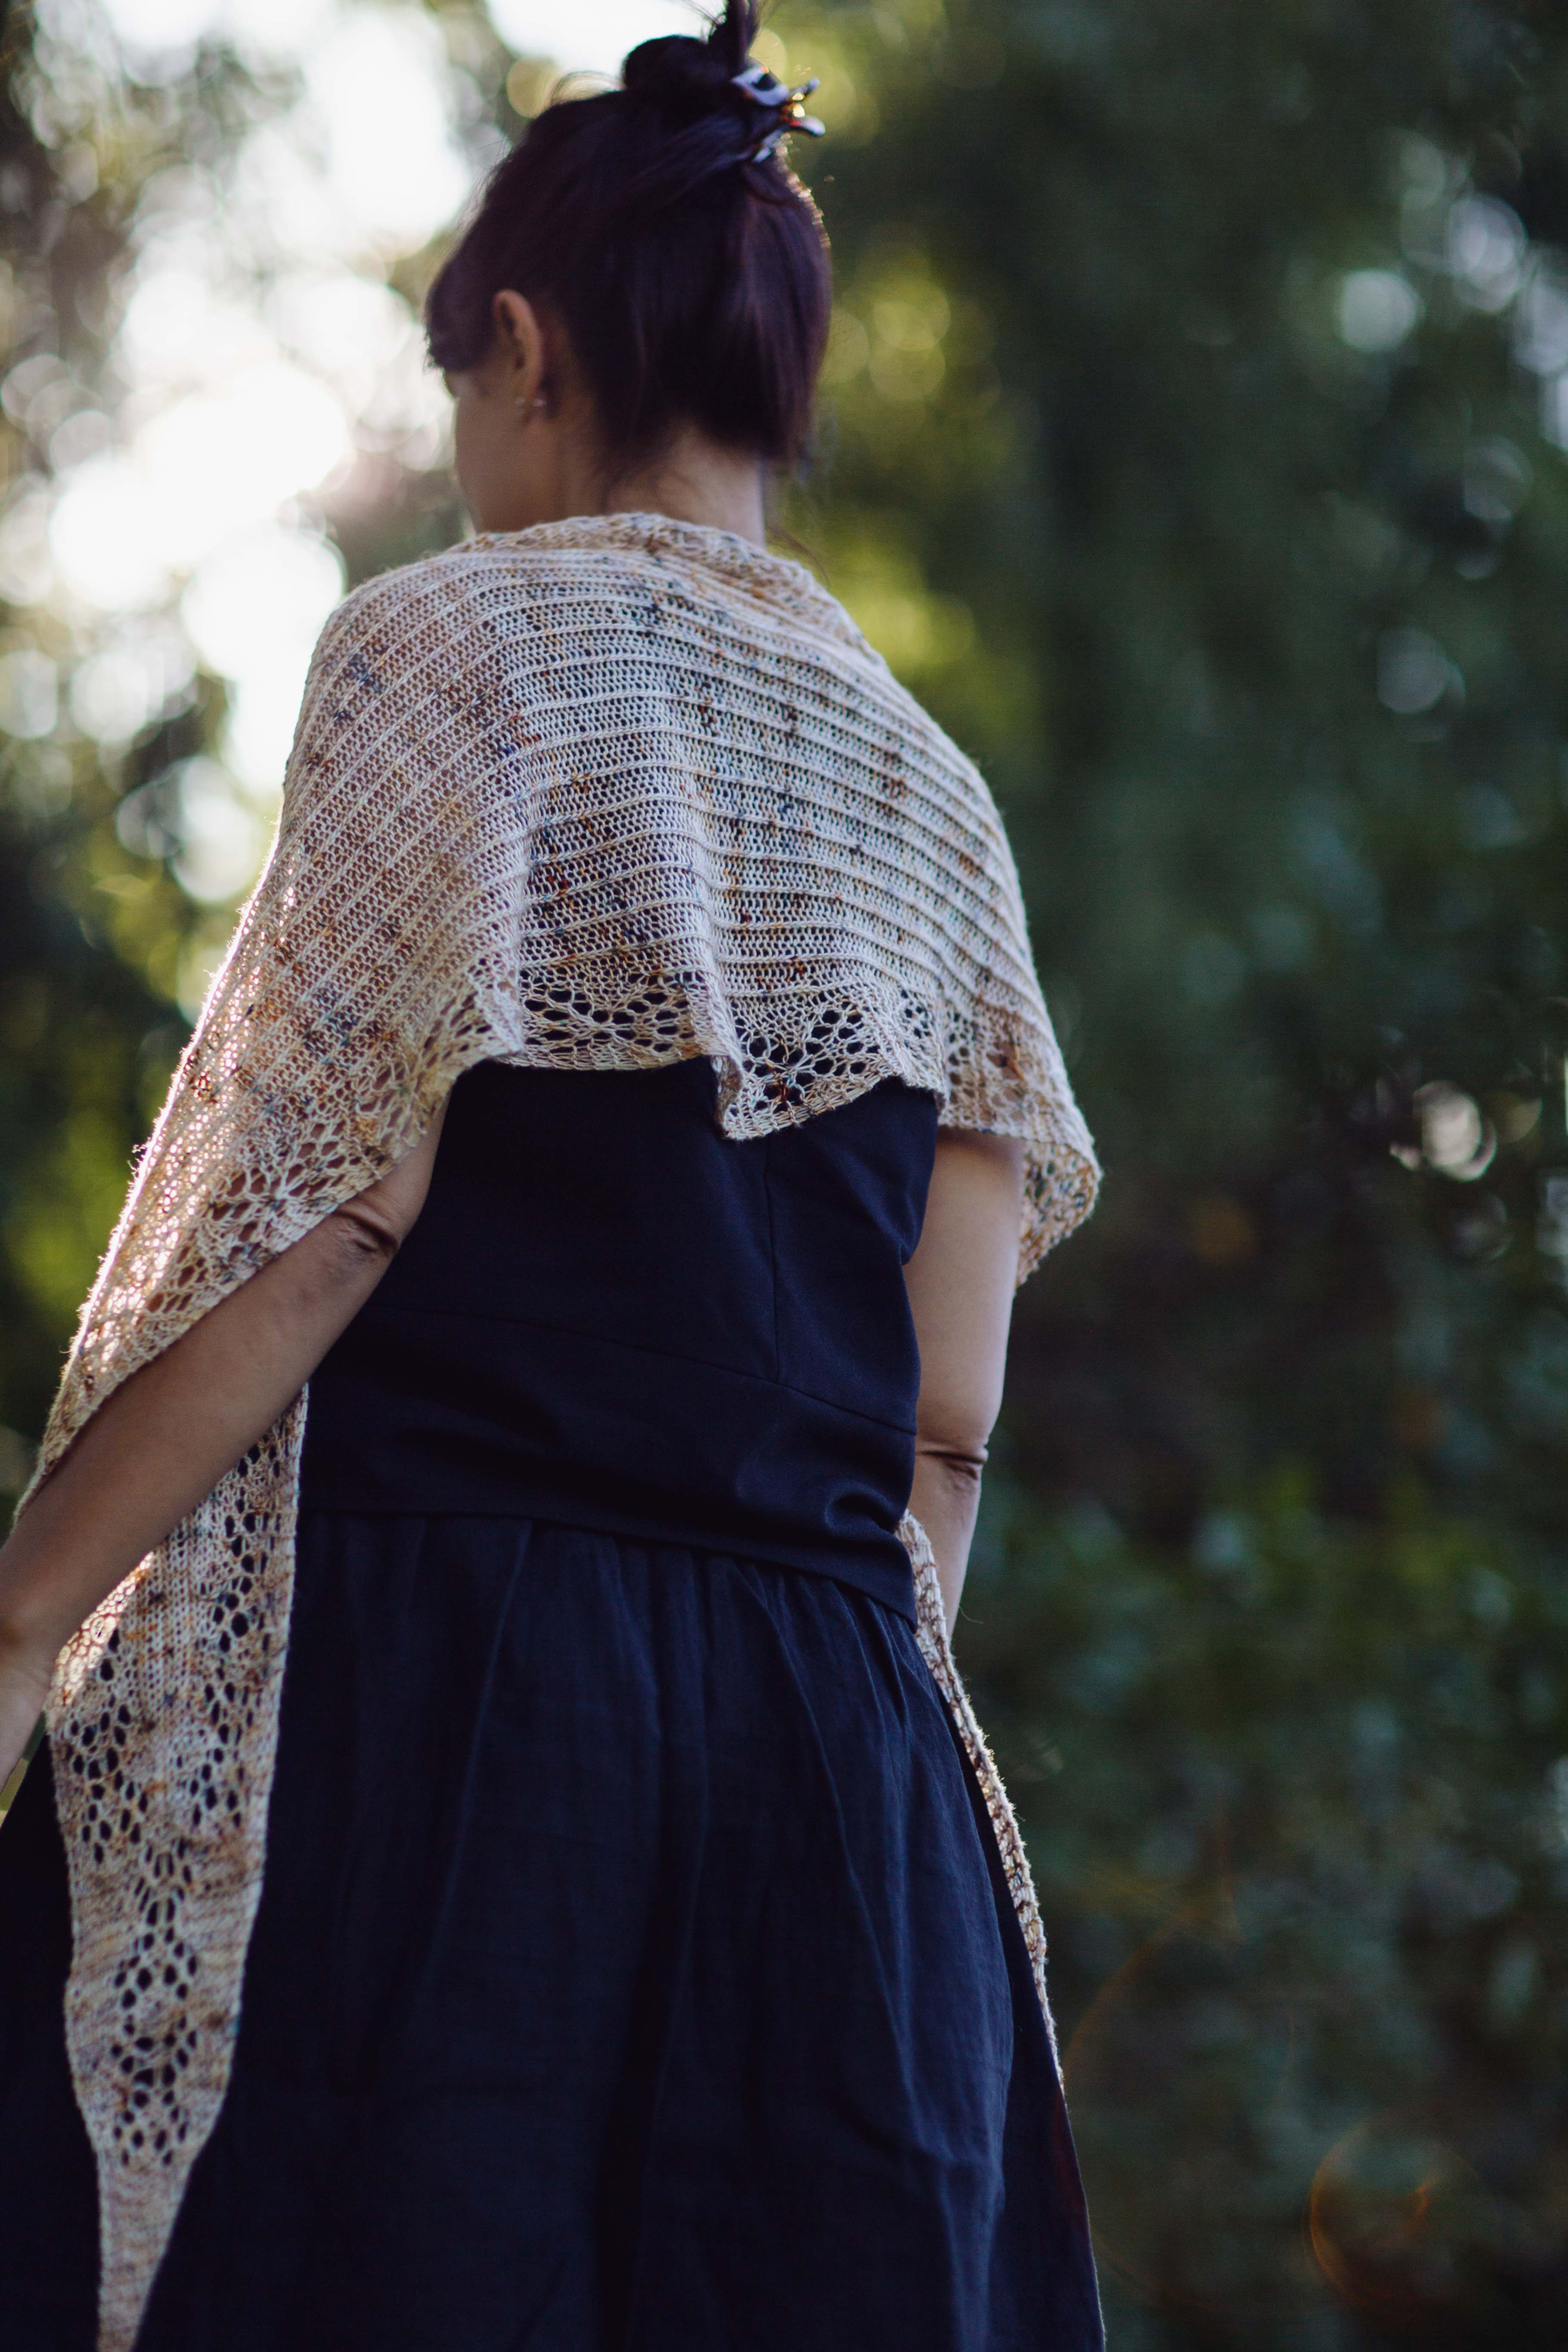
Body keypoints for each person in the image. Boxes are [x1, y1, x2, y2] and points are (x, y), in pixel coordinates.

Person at [0, 7, 1102, 2348]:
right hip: (841, 1755)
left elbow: (322, 1226)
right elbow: (949, 1421)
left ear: (518, 351)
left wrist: (27, 1612)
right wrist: (807, 1715)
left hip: (455, 1712)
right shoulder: (935, 803)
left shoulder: (448, 655)